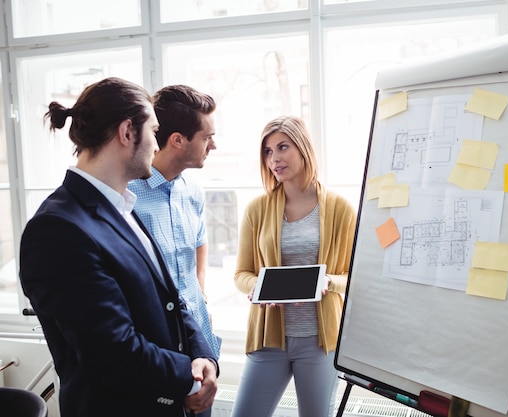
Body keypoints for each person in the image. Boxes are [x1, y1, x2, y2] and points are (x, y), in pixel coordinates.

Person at [19, 77, 219, 417]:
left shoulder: (122, 205)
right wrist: (188, 375)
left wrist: (203, 356)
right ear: (128, 132)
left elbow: (172, 298)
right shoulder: (57, 229)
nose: (157, 146)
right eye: (153, 132)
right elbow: (112, 352)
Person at [231, 115, 357, 417]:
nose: (274, 158)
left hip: (319, 341)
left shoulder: (341, 208)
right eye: (268, 151)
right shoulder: (257, 209)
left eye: (282, 147)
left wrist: (329, 282)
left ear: (303, 148)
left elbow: (355, 277)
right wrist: (259, 288)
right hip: (269, 338)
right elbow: (241, 275)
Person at [128, 85, 222, 417]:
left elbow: (199, 242)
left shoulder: (192, 190)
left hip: (199, 339)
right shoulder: (128, 195)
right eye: (207, 136)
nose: (214, 144)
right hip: (159, 348)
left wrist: (202, 294)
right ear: (178, 140)